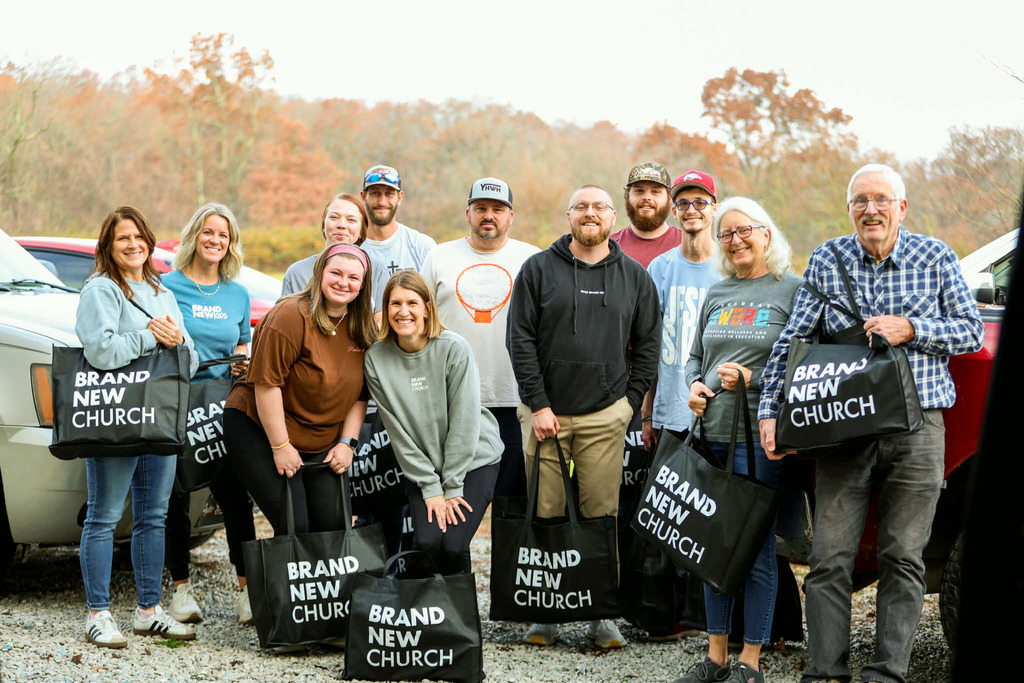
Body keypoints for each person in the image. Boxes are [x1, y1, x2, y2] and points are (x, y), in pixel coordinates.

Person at [757, 164, 985, 683]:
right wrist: (770, 408)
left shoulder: (936, 257)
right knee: (829, 558)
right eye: (860, 200)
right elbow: (793, 342)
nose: (871, 209)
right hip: (843, 427)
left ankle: (888, 675)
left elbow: (971, 331)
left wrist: (912, 328)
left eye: (881, 199)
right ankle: (826, 673)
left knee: (904, 558)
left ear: (901, 208)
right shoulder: (828, 260)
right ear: (849, 208)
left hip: (918, 430)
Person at [506, 184, 661, 649]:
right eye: (581, 207)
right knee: (546, 512)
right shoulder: (537, 269)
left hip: (604, 418)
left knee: (601, 516)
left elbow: (649, 347)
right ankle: (546, 614)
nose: (590, 213)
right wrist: (538, 404)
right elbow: (520, 341)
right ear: (568, 215)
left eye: (599, 207)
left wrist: (627, 406)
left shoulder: (634, 276)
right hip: (544, 416)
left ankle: (602, 615)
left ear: (613, 217)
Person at [673, 198, 801, 683]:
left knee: (755, 551)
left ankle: (751, 660)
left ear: (766, 233)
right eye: (726, 234)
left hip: (759, 441)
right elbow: (693, 358)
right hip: (711, 437)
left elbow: (802, 365)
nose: (736, 240)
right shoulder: (718, 291)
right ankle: (716, 656)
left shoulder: (791, 290)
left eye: (744, 230)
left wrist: (754, 376)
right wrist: (696, 387)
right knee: (711, 549)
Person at [75, 205, 199, 648]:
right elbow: (101, 353)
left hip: (159, 418)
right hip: (116, 418)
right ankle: (98, 614)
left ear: (149, 243)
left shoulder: (161, 290)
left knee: (154, 516)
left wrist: (179, 340)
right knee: (104, 516)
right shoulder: (100, 290)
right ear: (108, 245)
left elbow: (192, 358)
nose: (132, 245)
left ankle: (149, 610)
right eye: (122, 238)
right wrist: (152, 335)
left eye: (139, 237)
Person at [223, 244, 376, 541]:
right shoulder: (290, 316)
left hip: (321, 435)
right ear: (320, 274)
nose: (343, 282)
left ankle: (331, 590)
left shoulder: (363, 327)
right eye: (336, 273)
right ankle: (276, 587)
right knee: (296, 523)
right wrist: (280, 447)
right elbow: (267, 386)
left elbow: (360, 395)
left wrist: (347, 444)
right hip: (258, 425)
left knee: (334, 526)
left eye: (353, 278)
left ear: (363, 285)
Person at [363, 270, 502, 575]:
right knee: (426, 543)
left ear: (427, 307)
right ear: (385, 309)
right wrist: (430, 485)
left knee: (452, 545)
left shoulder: (453, 348)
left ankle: (460, 622)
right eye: (395, 303)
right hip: (425, 464)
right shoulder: (376, 358)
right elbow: (397, 433)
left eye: (412, 302)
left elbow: (464, 423)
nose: (403, 311)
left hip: (474, 459)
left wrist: (451, 487)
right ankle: (429, 617)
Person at [161, 202, 256, 626]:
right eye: (208, 232)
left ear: (230, 243)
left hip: (224, 408)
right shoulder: (168, 287)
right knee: (175, 496)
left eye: (224, 235)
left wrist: (241, 363)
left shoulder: (237, 292)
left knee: (237, 496)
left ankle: (247, 591)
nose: (216, 240)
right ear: (194, 236)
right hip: (177, 404)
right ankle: (180, 590)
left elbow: (241, 346)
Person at [419, 177, 540, 498]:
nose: (489, 215)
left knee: (512, 500)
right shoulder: (439, 257)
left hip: (514, 397)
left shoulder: (533, 259)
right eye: (481, 208)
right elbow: (417, 323)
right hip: (452, 399)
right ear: (467, 213)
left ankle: (505, 552)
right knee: (453, 496)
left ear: (510, 216)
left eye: (498, 209)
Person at [642, 170, 721, 450]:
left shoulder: (730, 268)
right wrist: (648, 411)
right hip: (670, 414)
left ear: (715, 208)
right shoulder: (660, 269)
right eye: (683, 203)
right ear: (674, 211)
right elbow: (650, 344)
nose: (691, 210)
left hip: (719, 414)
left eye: (699, 202)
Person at [359, 164, 436, 312]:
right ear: (364, 197)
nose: (382, 202)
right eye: (375, 193)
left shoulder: (422, 246)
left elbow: (434, 302)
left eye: (389, 194)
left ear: (399, 198)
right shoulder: (353, 249)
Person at [281, 192, 368, 296]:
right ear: (323, 224)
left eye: (351, 220)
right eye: (334, 217)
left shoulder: (374, 272)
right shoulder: (298, 273)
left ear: (362, 230)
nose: (341, 225)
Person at [610, 161, 682, 268]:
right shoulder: (609, 247)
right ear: (627, 196)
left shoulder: (685, 245)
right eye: (639, 191)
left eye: (655, 191)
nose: (646, 197)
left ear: (669, 198)